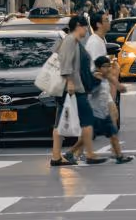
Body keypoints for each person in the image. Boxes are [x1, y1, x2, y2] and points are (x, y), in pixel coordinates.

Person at [50, 15, 106, 167]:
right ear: (79, 26)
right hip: (73, 88)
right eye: (85, 27)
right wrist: (70, 82)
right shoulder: (70, 40)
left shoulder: (73, 41)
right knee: (88, 119)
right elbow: (65, 63)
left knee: (61, 122)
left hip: (73, 87)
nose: (87, 30)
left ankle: (56, 156)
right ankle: (90, 154)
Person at [67, 57, 133, 164]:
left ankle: (119, 156)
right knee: (87, 137)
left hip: (104, 113)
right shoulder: (95, 78)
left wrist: (115, 80)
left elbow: (121, 88)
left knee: (113, 134)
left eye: (108, 66)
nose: (107, 69)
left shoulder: (107, 77)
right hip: (93, 114)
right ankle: (71, 153)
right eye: (104, 67)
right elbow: (88, 90)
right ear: (98, 68)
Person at [85, 10, 126, 122]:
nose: (109, 23)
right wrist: (117, 84)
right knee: (112, 116)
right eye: (106, 20)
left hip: (100, 88)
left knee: (111, 117)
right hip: (96, 89)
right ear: (98, 24)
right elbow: (98, 68)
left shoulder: (99, 40)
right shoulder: (94, 43)